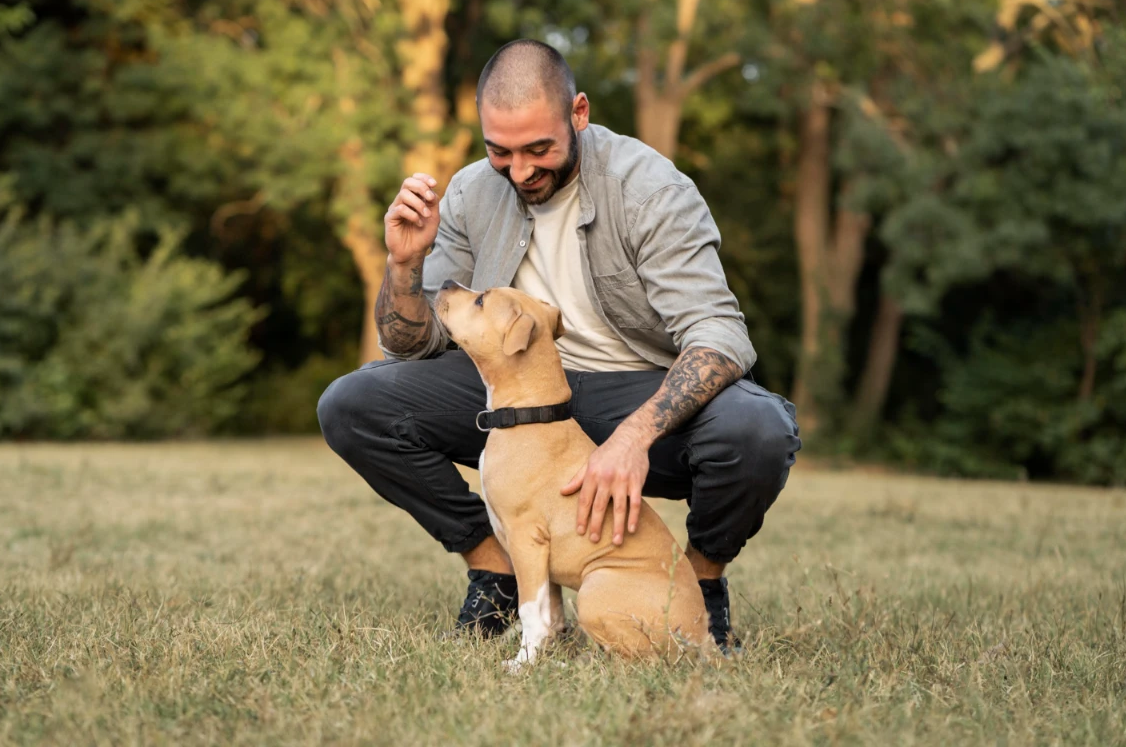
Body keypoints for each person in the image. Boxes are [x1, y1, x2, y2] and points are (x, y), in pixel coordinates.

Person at [318, 39, 800, 654]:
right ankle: (497, 569)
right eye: (500, 151)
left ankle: (698, 585)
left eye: (538, 149)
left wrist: (633, 437)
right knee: (354, 404)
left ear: (579, 113)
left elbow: (719, 335)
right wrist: (405, 266)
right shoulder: (470, 192)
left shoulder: (650, 189)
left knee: (758, 430)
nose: (519, 171)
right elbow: (413, 345)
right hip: (515, 396)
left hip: (636, 395)